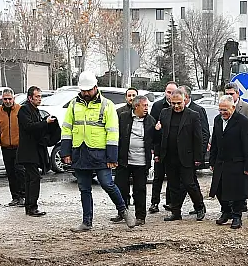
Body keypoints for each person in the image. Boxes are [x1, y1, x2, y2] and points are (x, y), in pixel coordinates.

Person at [59, 71, 132, 233]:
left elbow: (113, 132)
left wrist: (112, 156)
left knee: (107, 183)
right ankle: (87, 222)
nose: (85, 93)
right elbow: (67, 129)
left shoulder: (107, 105)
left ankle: (124, 211)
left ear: (95, 88)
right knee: (84, 188)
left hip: (100, 153)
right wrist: (66, 152)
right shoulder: (73, 105)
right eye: (83, 91)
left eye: (88, 90)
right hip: (80, 152)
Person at [156, 87, 206, 220]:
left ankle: (200, 206)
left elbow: (198, 137)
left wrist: (198, 157)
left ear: (185, 100)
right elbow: (160, 136)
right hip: (169, 156)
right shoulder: (164, 113)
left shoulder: (193, 115)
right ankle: (176, 212)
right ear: (170, 102)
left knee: (189, 183)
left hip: (186, 156)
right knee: (173, 185)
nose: (176, 106)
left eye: (179, 103)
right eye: (173, 103)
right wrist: (158, 153)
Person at [208, 94, 248, 229]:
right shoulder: (217, 120)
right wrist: (212, 161)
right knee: (219, 190)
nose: (222, 113)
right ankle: (226, 212)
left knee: (236, 192)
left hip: (237, 163)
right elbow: (215, 142)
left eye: (225, 110)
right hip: (221, 162)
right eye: (220, 110)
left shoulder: (242, 122)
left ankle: (236, 216)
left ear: (233, 108)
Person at [15, 85, 56, 217]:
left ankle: (29, 206)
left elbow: (38, 129)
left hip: (35, 150)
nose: (39, 99)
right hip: (28, 151)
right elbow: (29, 127)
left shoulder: (36, 110)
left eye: (40, 96)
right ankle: (32, 206)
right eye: (37, 96)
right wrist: (46, 122)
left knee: (30, 178)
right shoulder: (24, 110)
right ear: (30, 98)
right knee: (34, 178)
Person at [117, 93, 155, 226]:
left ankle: (140, 216)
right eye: (144, 106)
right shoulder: (123, 117)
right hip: (124, 160)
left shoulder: (151, 120)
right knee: (121, 187)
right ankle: (122, 213)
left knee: (139, 190)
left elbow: (155, 139)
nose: (146, 108)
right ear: (136, 106)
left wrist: (158, 131)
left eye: (147, 106)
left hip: (141, 162)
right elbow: (118, 136)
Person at [148, 82, 179, 214]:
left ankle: (170, 202)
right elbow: (153, 127)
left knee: (172, 177)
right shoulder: (158, 106)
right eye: (168, 92)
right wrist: (154, 148)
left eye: (173, 92)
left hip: (173, 149)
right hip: (160, 147)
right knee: (158, 177)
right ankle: (154, 202)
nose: (170, 95)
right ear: (165, 92)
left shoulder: (178, 107)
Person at [0, 88, 24, 208]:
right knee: (10, 173)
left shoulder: (20, 110)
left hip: (19, 147)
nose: (8, 101)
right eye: (5, 99)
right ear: (2, 99)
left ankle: (23, 196)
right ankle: (15, 197)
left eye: (10, 99)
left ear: (13, 98)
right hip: (6, 147)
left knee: (20, 172)